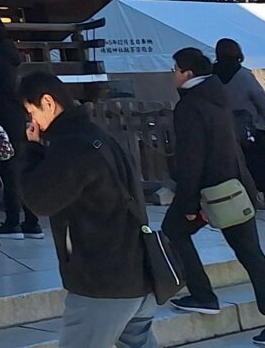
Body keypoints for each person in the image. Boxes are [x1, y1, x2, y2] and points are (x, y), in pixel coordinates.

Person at [16, 72, 157, 348]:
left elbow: (39, 201)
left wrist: (31, 151)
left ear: (48, 103)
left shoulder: (72, 146)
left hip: (102, 282)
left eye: (32, 112)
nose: (33, 122)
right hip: (137, 273)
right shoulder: (100, 136)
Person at [162, 47, 265, 344]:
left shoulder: (190, 106)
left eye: (175, 70)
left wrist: (188, 201)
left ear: (187, 73)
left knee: (173, 231)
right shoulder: (217, 96)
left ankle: (203, 295)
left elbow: (191, 157)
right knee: (252, 255)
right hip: (235, 186)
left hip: (209, 189)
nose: (173, 75)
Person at [0, 13, 40, 241]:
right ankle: (31, 221)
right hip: (15, 113)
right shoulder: (7, 52)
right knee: (18, 169)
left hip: (2, 114)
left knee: (8, 169)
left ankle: (13, 221)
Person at [213, 38, 265, 204]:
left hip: (221, 130)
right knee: (256, 165)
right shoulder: (244, 75)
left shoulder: (210, 76)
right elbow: (262, 101)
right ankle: (256, 198)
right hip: (250, 130)